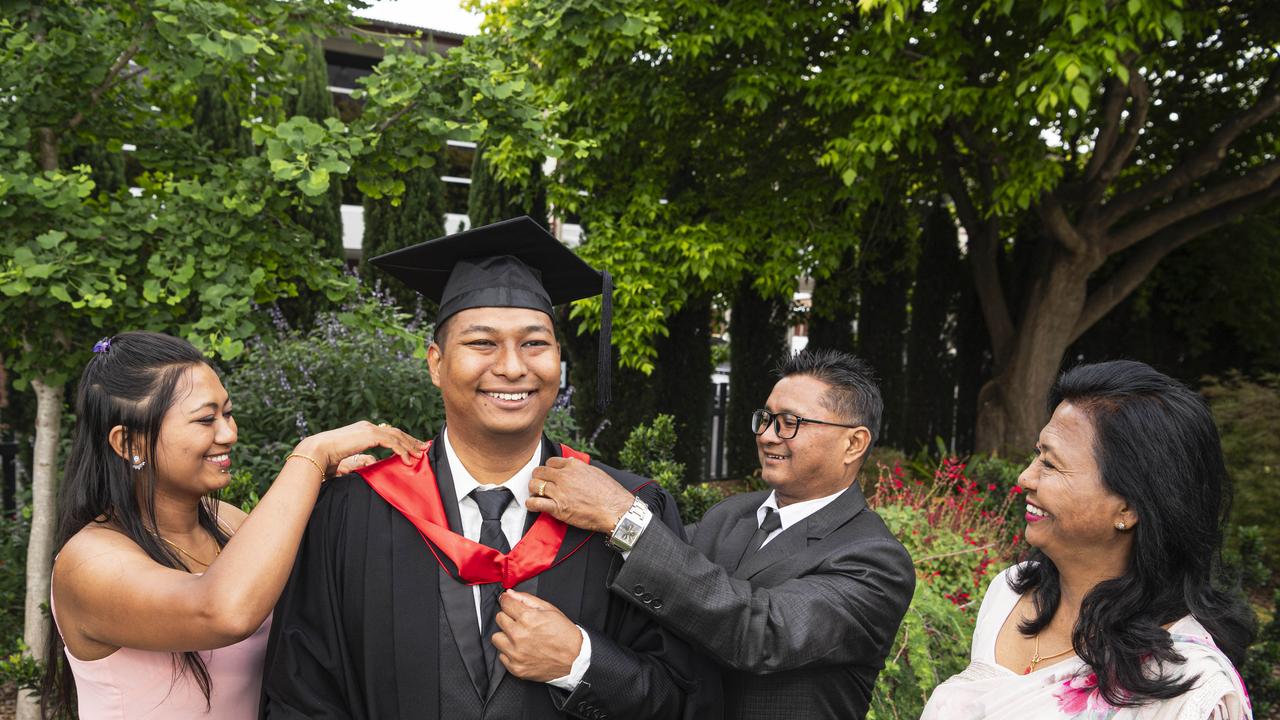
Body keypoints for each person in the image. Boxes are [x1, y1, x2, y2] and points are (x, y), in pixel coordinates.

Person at [259, 216, 719, 719]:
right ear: (435, 362)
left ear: (559, 360)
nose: (513, 367)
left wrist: (584, 663)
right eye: (482, 343)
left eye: (534, 343)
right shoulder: (352, 511)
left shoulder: (624, 511)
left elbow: (689, 696)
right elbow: (300, 695)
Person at [42, 331, 424, 719]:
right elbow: (223, 611)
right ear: (129, 443)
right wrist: (308, 456)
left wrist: (333, 497)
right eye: (206, 419)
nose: (229, 433)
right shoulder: (88, 563)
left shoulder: (228, 522)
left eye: (227, 413)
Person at [529, 348, 916, 719]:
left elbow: (760, 633)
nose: (766, 435)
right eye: (765, 418)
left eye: (790, 422)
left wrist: (623, 517)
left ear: (853, 443)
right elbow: (647, 575)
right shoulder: (730, 516)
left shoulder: (875, 561)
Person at [921, 360, 1255, 719]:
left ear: (1128, 507)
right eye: (1038, 455)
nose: (1024, 478)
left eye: (1051, 464)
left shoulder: (1187, 688)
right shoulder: (1010, 593)